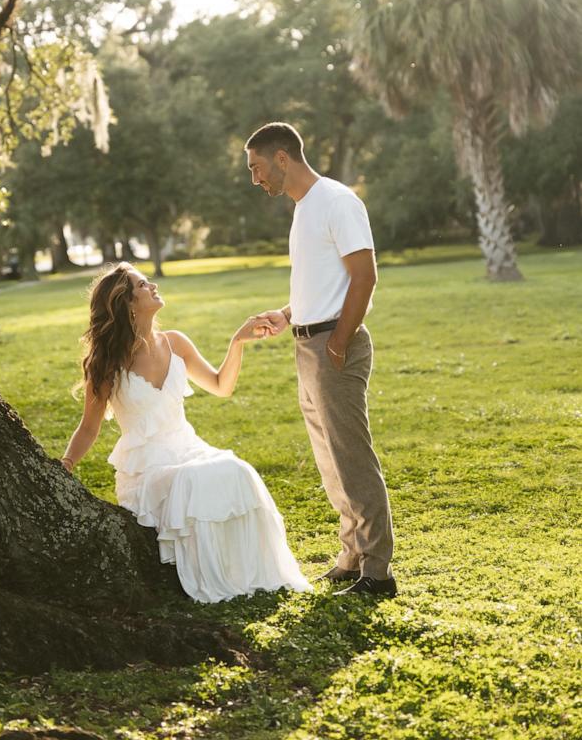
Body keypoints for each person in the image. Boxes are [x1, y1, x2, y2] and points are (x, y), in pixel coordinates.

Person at [60, 261, 311, 604]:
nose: (153, 287)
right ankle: (209, 579)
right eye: (143, 285)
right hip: (147, 470)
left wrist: (237, 341)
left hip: (189, 449)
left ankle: (244, 573)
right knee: (192, 480)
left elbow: (221, 386)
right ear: (127, 304)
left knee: (238, 471)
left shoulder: (175, 343)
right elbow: (89, 427)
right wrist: (66, 464)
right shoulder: (107, 363)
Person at [245, 121, 397, 598]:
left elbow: (364, 277)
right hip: (308, 344)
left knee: (351, 457)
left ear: (282, 158)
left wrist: (338, 342)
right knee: (330, 459)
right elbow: (323, 280)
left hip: (335, 345)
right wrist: (288, 313)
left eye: (256, 168)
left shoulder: (336, 201)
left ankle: (378, 571)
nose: (255, 179)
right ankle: (352, 555)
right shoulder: (304, 208)